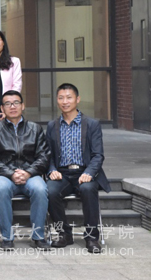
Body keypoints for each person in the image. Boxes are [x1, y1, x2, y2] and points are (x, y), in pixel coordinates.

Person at [46, 83, 111, 253]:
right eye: (61, 98)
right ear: (57, 100)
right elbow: (48, 155)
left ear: (77, 99)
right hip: (62, 174)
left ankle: (91, 237)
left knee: (88, 189)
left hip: (84, 172)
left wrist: (89, 172)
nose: (65, 101)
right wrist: (52, 169)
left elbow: (98, 155)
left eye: (69, 97)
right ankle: (64, 234)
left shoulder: (92, 124)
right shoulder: (52, 126)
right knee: (50, 191)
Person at [0, 91, 51, 250]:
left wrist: (28, 172)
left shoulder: (35, 129)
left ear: (23, 106)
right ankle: (7, 237)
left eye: (16, 102)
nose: (12, 106)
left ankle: (38, 236)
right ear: (2, 108)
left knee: (40, 188)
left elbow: (44, 156)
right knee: (1, 188)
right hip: (5, 174)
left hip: (31, 174)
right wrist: (11, 174)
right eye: (8, 104)